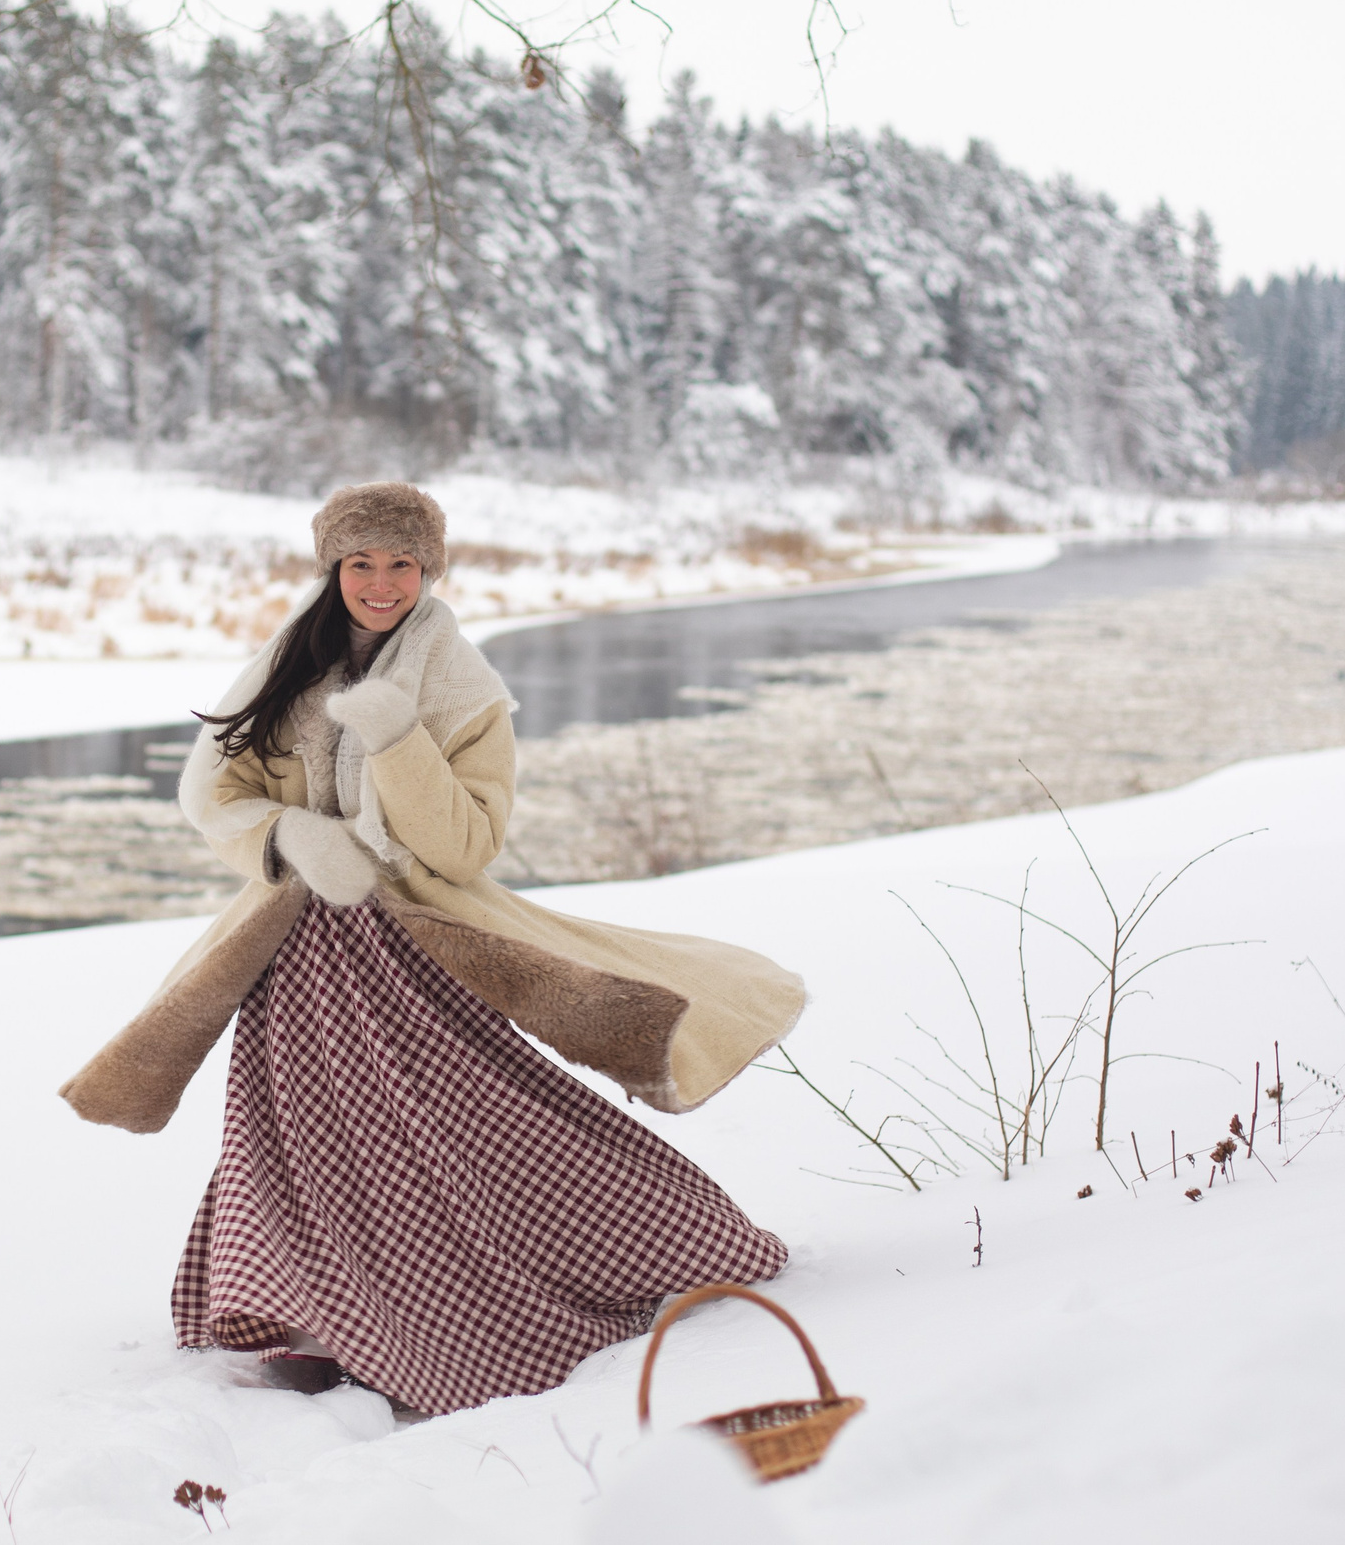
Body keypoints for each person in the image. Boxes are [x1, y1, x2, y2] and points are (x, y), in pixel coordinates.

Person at [58, 482, 802, 1415]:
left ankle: (663, 1245)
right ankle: (307, 1316)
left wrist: (399, 741)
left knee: (482, 1123)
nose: (380, 582)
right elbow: (212, 794)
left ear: (428, 569)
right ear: (333, 568)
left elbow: (466, 846)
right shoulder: (281, 665)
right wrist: (293, 839)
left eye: (401, 563)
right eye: (360, 563)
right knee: (289, 1134)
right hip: (292, 949)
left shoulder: (464, 689)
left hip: (414, 951)